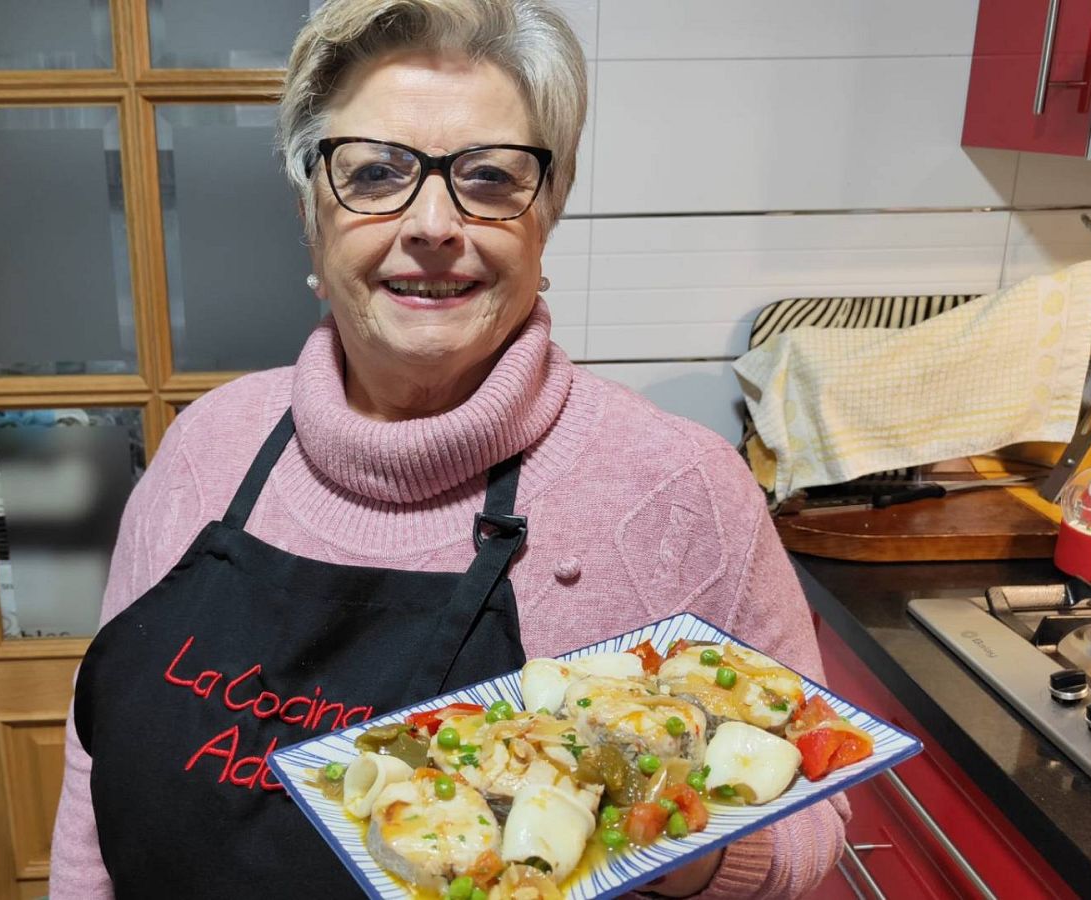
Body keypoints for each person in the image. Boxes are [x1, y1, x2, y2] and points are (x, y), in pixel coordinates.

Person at [49, 1, 845, 896]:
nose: (433, 223)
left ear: (545, 219)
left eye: (492, 178)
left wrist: (674, 847)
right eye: (377, 172)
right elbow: (97, 765)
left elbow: (815, 814)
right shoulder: (207, 448)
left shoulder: (680, 489)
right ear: (313, 214)